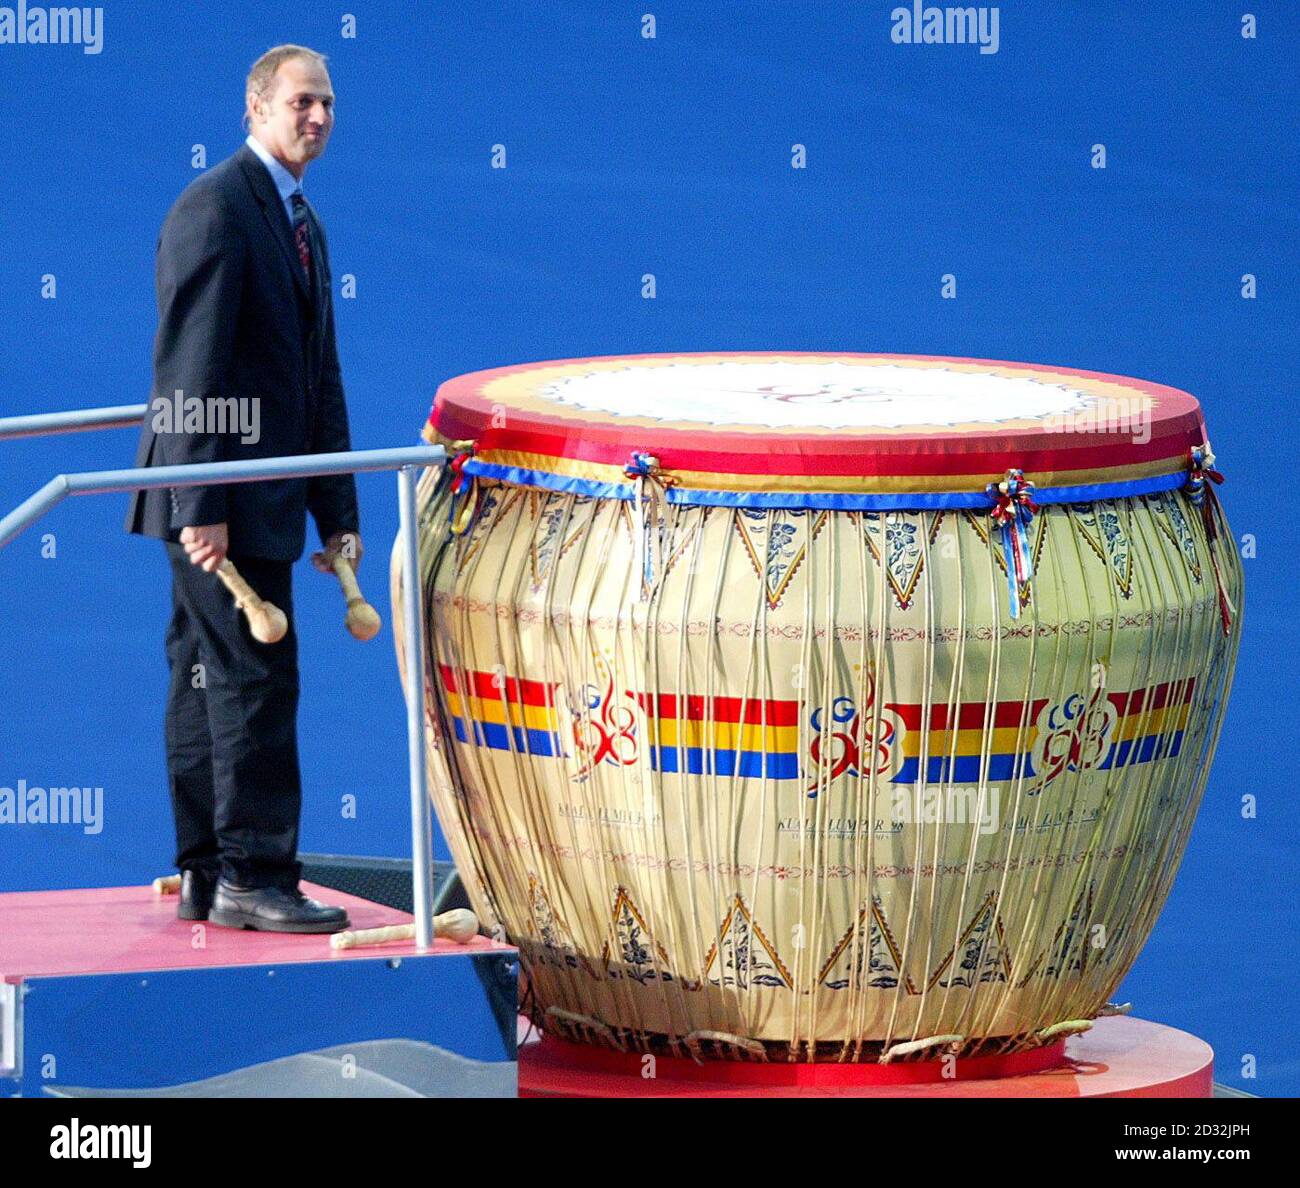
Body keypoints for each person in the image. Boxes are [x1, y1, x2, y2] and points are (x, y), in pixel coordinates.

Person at [125, 45, 359, 933]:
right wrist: (201, 507)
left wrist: (337, 513)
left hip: (254, 494)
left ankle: (203, 873)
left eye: (329, 104)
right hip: (217, 496)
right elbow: (188, 368)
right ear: (256, 108)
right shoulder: (217, 207)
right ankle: (252, 876)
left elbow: (316, 377)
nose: (319, 118)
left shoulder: (301, 217)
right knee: (253, 678)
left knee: (202, 673)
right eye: (303, 102)